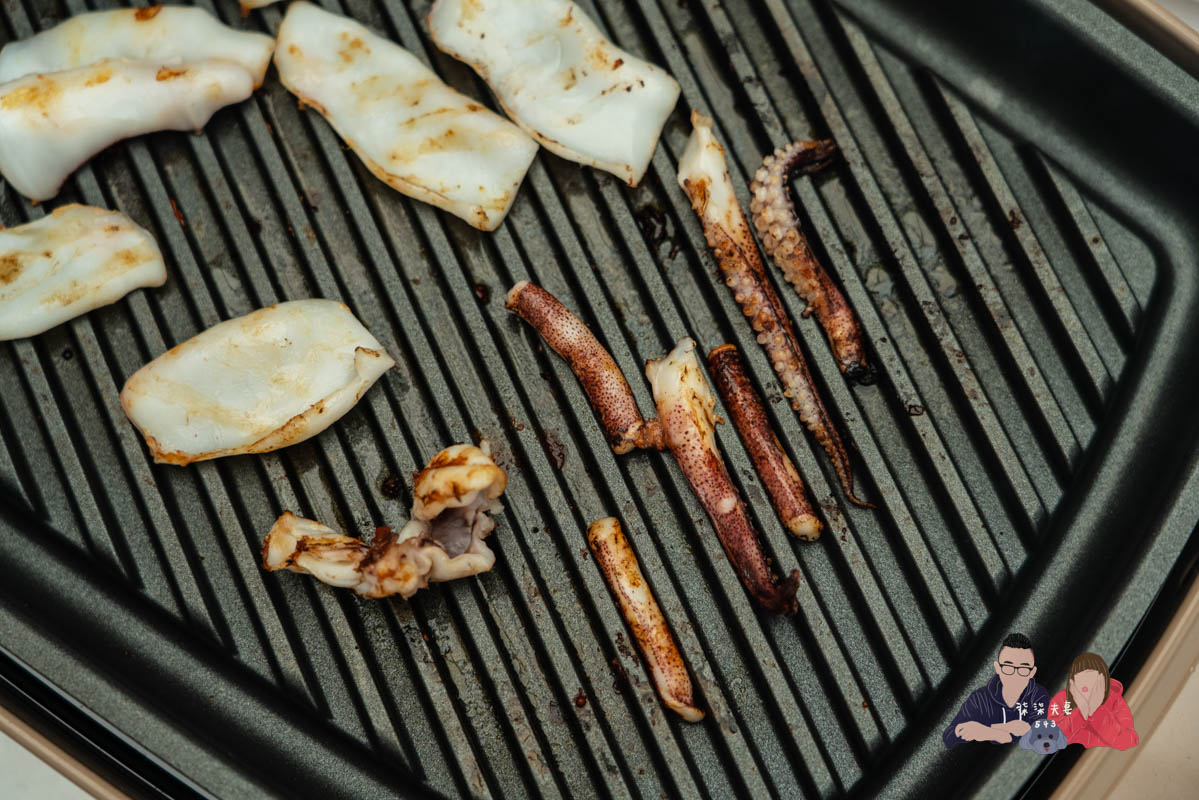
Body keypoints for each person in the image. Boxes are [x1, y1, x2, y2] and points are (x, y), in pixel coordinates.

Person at [943, 632, 1049, 749]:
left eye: (1023, 669)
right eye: (1008, 667)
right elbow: (948, 737)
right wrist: (995, 732)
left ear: (1032, 672)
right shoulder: (979, 699)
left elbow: (1038, 735)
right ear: (998, 668)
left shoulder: (1038, 696)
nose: (1015, 675)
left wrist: (986, 730)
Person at [1047, 653, 1138, 750]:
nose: (1084, 682)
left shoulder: (1115, 702)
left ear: (1102, 679)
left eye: (1089, 675)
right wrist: (1082, 712)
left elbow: (1127, 741)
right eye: (1079, 677)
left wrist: (1096, 710)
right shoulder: (1061, 700)